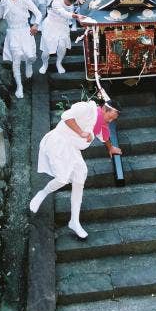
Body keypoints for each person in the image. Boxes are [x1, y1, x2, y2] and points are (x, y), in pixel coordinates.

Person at [29, 99, 122, 239]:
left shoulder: (101, 123)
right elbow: (66, 117)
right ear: (104, 109)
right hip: (58, 142)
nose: (110, 121)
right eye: (110, 117)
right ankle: (42, 193)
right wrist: (80, 132)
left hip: (72, 149)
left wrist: (111, 148)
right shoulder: (87, 108)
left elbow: (104, 138)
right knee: (62, 178)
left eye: (113, 119)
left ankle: (74, 221)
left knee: (80, 175)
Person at [39, 0, 81, 74]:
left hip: (63, 26)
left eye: (72, 2)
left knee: (62, 46)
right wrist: (76, 16)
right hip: (51, 25)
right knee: (46, 50)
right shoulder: (56, 2)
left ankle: (59, 63)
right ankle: (44, 64)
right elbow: (64, 13)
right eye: (69, 2)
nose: (71, 4)